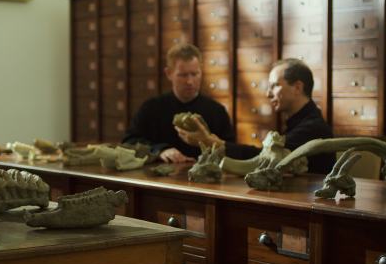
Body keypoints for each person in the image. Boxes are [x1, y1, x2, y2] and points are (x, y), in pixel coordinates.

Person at [177, 58, 335, 174]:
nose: (268, 94)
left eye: (274, 86)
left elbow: (261, 159)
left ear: (297, 87)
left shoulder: (312, 129)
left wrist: (211, 142)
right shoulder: (301, 122)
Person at [122, 43, 236, 163]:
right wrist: (160, 150)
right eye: (183, 75)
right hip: (159, 176)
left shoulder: (216, 111)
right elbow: (129, 141)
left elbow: (229, 150)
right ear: (169, 73)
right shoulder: (151, 108)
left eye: (194, 74)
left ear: (201, 72)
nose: (189, 81)